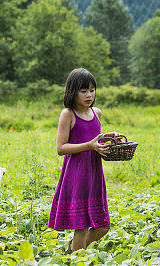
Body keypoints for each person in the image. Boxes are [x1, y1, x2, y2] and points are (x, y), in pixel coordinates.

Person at [48, 68, 121, 252]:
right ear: (73, 92)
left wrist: (108, 137)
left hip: (94, 173)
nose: (89, 95)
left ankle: (74, 249)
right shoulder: (68, 114)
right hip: (77, 174)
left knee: (103, 225)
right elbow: (60, 148)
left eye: (92, 90)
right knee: (81, 227)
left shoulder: (96, 112)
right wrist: (89, 145)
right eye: (83, 91)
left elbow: (94, 139)